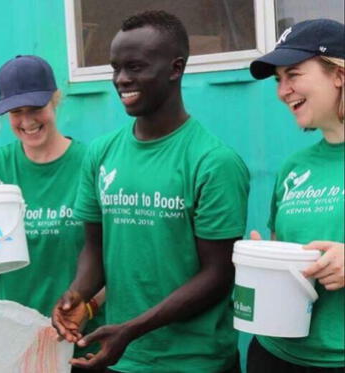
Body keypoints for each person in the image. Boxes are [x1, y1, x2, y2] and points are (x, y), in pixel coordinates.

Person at [52, 10, 250, 372]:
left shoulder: (213, 161)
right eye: (115, 68)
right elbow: (94, 248)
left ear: (175, 68)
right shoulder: (101, 153)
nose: (121, 80)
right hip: (121, 359)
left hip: (196, 362)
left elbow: (219, 275)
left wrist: (134, 328)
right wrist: (77, 293)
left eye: (135, 67)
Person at [0, 55, 105, 371]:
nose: (27, 120)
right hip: (16, 338)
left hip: (80, 338)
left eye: (36, 108)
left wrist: (88, 307)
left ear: (55, 99)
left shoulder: (90, 163)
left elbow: (115, 254)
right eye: (16, 112)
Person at [248, 18, 344, 372]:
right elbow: (285, 250)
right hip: (275, 355)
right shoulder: (294, 167)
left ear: (338, 73)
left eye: (294, 74)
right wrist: (266, 260)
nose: (282, 91)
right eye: (278, 80)